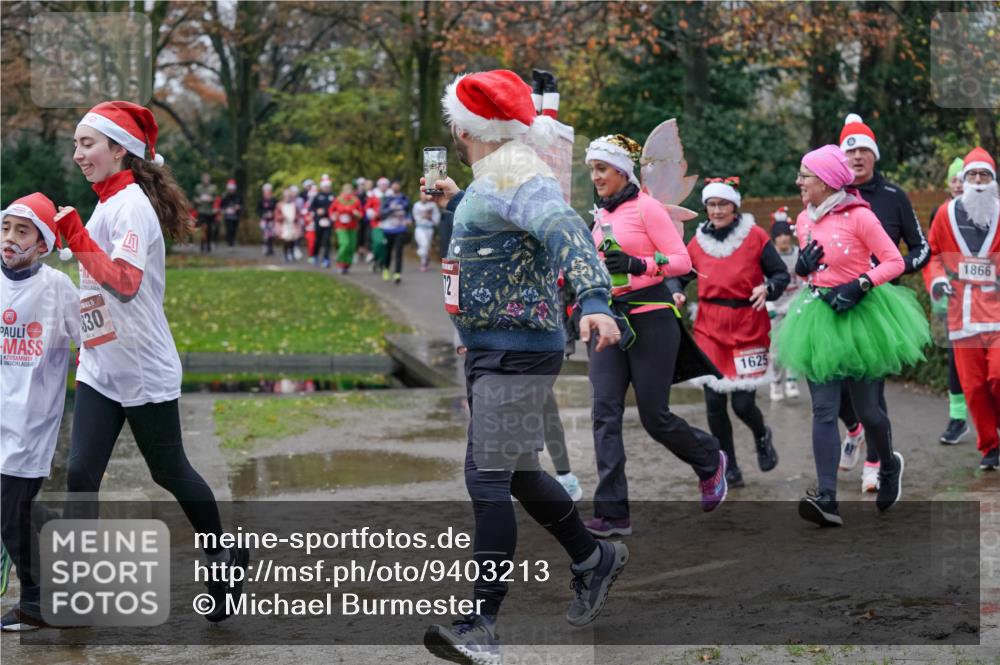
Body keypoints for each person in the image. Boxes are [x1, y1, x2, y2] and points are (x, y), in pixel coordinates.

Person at [421, 70, 633, 665]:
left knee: (485, 478)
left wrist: (594, 300)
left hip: (516, 349)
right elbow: (512, 229)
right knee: (514, 473)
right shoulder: (496, 175)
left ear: (466, 128)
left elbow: (565, 227)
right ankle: (594, 558)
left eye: (454, 126)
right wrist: (454, 203)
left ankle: (482, 626)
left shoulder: (516, 169)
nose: (454, 136)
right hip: (497, 346)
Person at [55, 101, 249, 620]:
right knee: (80, 474)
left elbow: (124, 282)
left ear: (120, 149)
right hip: (100, 364)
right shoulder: (103, 205)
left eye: (87, 143)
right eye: (75, 144)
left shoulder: (133, 205)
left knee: (170, 471)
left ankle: (221, 556)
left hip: (141, 366)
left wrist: (75, 235)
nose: (77, 154)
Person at [776, 145, 930, 527]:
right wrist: (802, 268)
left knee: (869, 411)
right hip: (819, 318)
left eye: (804, 175)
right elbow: (810, 272)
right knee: (825, 409)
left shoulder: (860, 216)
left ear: (826, 182)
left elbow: (894, 262)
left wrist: (861, 284)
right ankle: (827, 498)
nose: (798, 182)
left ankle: (889, 464)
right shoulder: (803, 219)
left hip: (862, 318)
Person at [585, 133, 729, 536]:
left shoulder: (647, 208)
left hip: (651, 317)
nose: (595, 177)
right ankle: (613, 513)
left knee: (654, 416)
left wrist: (637, 263)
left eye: (602, 169)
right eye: (592, 169)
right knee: (604, 415)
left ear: (622, 170)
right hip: (609, 321)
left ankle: (708, 458)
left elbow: (682, 261)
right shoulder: (598, 216)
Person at [668, 177, 788, 489]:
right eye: (712, 205)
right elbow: (679, 276)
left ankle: (762, 434)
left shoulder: (755, 236)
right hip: (710, 327)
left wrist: (769, 287)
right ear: (706, 207)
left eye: (723, 204)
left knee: (743, 405)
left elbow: (780, 273)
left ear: (734, 206)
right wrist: (676, 291)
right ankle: (729, 466)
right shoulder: (697, 242)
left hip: (748, 324)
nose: (718, 210)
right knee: (714, 405)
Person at [837, 114, 930, 491]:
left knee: (870, 389)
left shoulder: (894, 197)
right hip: (838, 300)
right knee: (835, 384)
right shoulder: (833, 197)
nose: (857, 157)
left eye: (864, 150)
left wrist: (894, 269)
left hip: (879, 302)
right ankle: (855, 431)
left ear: (874, 156)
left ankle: (876, 461)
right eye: (851, 150)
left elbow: (921, 248)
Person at [0, 193, 79, 631]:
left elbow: (94, 342)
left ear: (44, 242)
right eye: (6, 227)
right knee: (16, 511)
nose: (10, 239)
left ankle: (36, 601)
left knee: (11, 513)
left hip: (29, 423)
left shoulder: (56, 289)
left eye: (22, 230)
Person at [925, 147, 1000, 470]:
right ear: (964, 181)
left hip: (997, 313)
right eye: (973, 175)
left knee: (998, 375)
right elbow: (933, 254)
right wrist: (938, 280)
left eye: (985, 175)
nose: (979, 182)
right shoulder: (946, 214)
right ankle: (990, 446)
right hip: (962, 314)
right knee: (973, 386)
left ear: (993, 180)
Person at [928, 157, 971, 445]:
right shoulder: (940, 214)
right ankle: (957, 419)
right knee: (955, 360)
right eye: (953, 179)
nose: (957, 184)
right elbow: (932, 254)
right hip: (953, 301)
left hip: (987, 302)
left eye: (962, 179)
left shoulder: (988, 213)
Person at [767, 207, 802, 401]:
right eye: (779, 235)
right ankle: (776, 383)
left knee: (794, 346)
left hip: (794, 306)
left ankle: (791, 381)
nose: (783, 238)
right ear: (774, 239)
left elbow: (803, 280)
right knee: (776, 349)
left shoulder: (798, 254)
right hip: (776, 308)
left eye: (786, 234)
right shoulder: (770, 256)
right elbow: (763, 281)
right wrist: (769, 306)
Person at [378, 181, 411, 283]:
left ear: (400, 186)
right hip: (388, 229)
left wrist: (409, 218)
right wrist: (391, 210)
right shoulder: (387, 198)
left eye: (398, 184)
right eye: (394, 184)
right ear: (391, 186)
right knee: (387, 251)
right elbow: (381, 213)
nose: (396, 186)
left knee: (399, 251)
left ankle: (397, 273)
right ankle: (386, 269)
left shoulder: (404, 198)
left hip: (400, 228)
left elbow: (408, 211)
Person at [330, 182, 363, 274]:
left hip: (353, 226)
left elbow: (361, 214)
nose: (348, 191)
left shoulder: (356, 200)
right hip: (341, 226)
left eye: (350, 189)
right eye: (346, 189)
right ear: (343, 190)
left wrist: (357, 214)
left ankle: (346, 265)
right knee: (345, 243)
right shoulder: (338, 200)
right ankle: (340, 260)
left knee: (351, 247)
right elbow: (331, 211)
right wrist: (334, 215)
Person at [412, 191, 441, 271]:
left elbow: (437, 218)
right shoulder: (416, 205)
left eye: (425, 195)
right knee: (423, 244)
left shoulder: (433, 205)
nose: (424, 197)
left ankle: (424, 263)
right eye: (422, 195)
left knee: (426, 246)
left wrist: (430, 217)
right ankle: (424, 257)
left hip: (429, 229)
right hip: (420, 228)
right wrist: (423, 216)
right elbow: (415, 217)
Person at [310, 175, 335, 268]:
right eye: (325, 186)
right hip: (319, 221)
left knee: (327, 240)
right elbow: (312, 208)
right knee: (318, 240)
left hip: (328, 221)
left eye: (328, 186)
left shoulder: (333, 196)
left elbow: (335, 207)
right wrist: (317, 211)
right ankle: (315, 255)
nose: (327, 188)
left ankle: (326, 258)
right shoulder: (317, 196)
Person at [194, 172, 218, 253]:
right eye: (204, 178)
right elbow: (195, 198)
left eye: (207, 178)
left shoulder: (213, 188)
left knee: (210, 229)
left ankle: (208, 244)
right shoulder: (198, 187)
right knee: (203, 228)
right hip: (201, 211)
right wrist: (199, 200)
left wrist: (210, 199)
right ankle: (202, 245)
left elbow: (216, 199)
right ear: (202, 179)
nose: (206, 180)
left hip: (210, 212)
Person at [278, 187, 302, 262]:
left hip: (292, 225)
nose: (287, 198)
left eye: (289, 196)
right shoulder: (280, 205)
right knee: (286, 240)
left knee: (292, 240)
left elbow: (298, 215)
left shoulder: (294, 205)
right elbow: (277, 216)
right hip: (284, 225)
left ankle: (291, 253)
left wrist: (296, 218)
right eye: (286, 196)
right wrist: (282, 217)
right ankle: (285, 254)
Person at [220, 178, 242, 248]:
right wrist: (225, 210)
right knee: (229, 229)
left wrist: (238, 207)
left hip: (236, 216)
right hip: (228, 216)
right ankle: (230, 242)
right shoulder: (225, 196)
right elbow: (221, 206)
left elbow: (241, 205)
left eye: (232, 189)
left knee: (234, 229)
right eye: (230, 189)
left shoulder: (238, 196)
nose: (231, 190)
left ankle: (232, 240)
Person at [257, 182, 277, 256]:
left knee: (271, 235)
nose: (267, 192)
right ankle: (266, 247)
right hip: (264, 220)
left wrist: (273, 214)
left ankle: (271, 248)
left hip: (272, 220)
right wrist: (263, 214)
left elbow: (277, 209)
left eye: (269, 191)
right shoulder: (261, 200)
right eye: (266, 191)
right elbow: (258, 210)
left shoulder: (274, 200)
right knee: (265, 235)